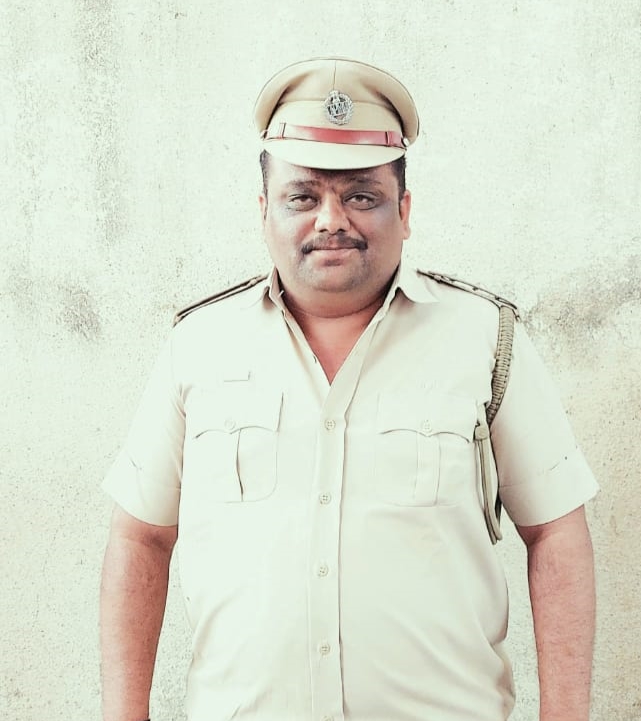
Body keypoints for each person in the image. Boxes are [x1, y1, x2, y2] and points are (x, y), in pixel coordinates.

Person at [100, 57, 598, 721]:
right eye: (302, 197)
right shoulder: (199, 344)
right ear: (264, 210)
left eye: (361, 196)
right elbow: (140, 538)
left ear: (405, 209)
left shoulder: (486, 339)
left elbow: (556, 531)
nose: (330, 219)